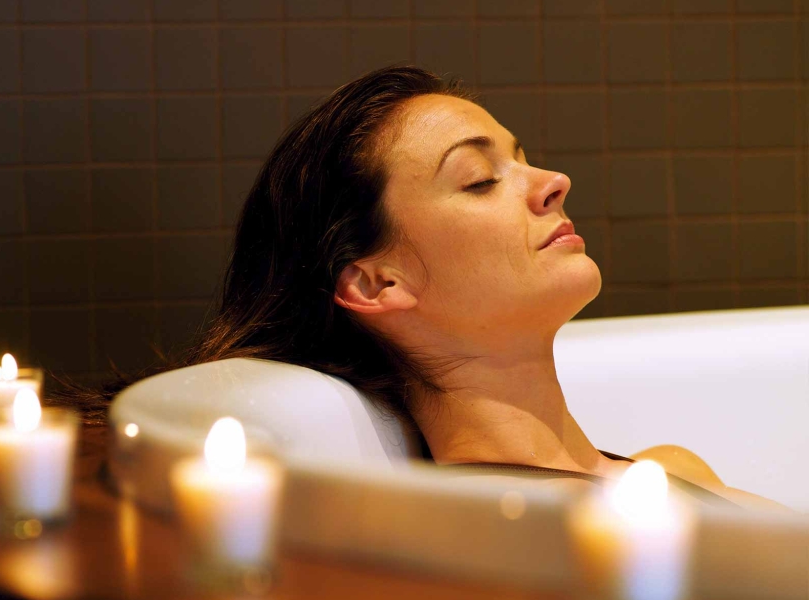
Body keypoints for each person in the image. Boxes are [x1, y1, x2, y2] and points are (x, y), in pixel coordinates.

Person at [70, 65, 781, 510]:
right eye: (478, 179)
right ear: (378, 282)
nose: (552, 183)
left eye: (523, 161)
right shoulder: (496, 530)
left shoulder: (668, 472)